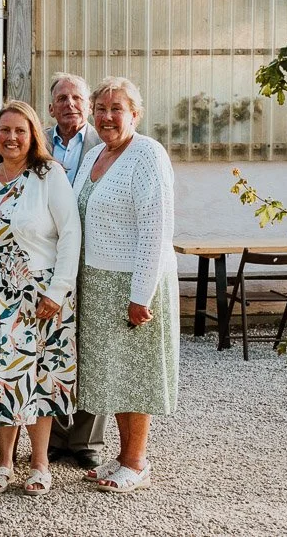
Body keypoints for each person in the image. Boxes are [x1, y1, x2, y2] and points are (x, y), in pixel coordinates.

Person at [0, 100, 80, 496]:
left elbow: (71, 234)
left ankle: (39, 464)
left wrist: (59, 291)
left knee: (39, 376)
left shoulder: (49, 176)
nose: (11, 137)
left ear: (33, 136)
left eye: (20, 131)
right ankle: (4, 460)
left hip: (38, 294)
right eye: (5, 130)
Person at [72, 77, 179, 494]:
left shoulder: (148, 154)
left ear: (135, 113)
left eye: (117, 108)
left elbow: (156, 229)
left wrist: (141, 295)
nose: (107, 116)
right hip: (98, 281)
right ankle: (121, 455)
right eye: (101, 108)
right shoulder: (95, 153)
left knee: (137, 374)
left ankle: (137, 461)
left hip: (133, 283)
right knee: (113, 373)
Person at [43, 72, 105, 469]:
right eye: (62, 99)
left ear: (88, 105)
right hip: (45, 256)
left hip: (93, 254)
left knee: (91, 344)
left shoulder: (106, 144)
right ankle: (52, 436)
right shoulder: (36, 142)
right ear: (51, 108)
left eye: (77, 98)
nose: (70, 104)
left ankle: (84, 439)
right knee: (50, 344)